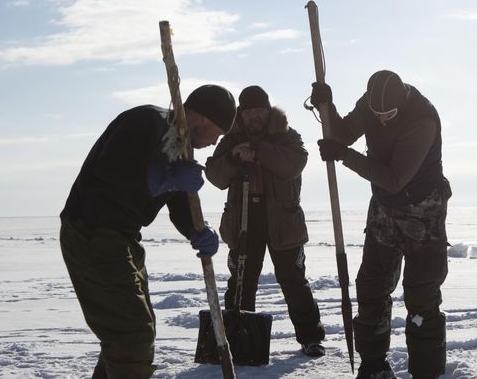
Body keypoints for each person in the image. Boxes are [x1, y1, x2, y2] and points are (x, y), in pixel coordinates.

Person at [59, 84, 237, 378]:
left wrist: (197, 231)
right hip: (92, 230)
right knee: (132, 333)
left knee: (134, 331)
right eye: (217, 134)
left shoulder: (181, 146)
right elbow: (111, 171)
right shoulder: (146, 122)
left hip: (122, 236)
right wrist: (164, 179)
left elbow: (180, 203)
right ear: (205, 119)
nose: (214, 142)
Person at [310, 70, 451, 379]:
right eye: (377, 114)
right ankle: (374, 365)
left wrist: (344, 156)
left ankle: (427, 373)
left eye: (388, 114)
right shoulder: (371, 105)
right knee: (372, 287)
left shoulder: (422, 119)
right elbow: (343, 133)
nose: (382, 119)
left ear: (401, 104)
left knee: (421, 295)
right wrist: (327, 107)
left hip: (422, 212)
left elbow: (393, 178)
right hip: (384, 210)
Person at [205, 85, 326, 357]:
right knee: (239, 283)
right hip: (243, 220)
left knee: (294, 281)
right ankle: (234, 339)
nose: (254, 116)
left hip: (283, 222)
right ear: (241, 113)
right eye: (248, 112)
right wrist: (236, 157)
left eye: (259, 110)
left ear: (268, 110)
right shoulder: (230, 140)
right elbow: (215, 175)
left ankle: (311, 338)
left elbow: (293, 164)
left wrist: (258, 150)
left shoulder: (286, 137)